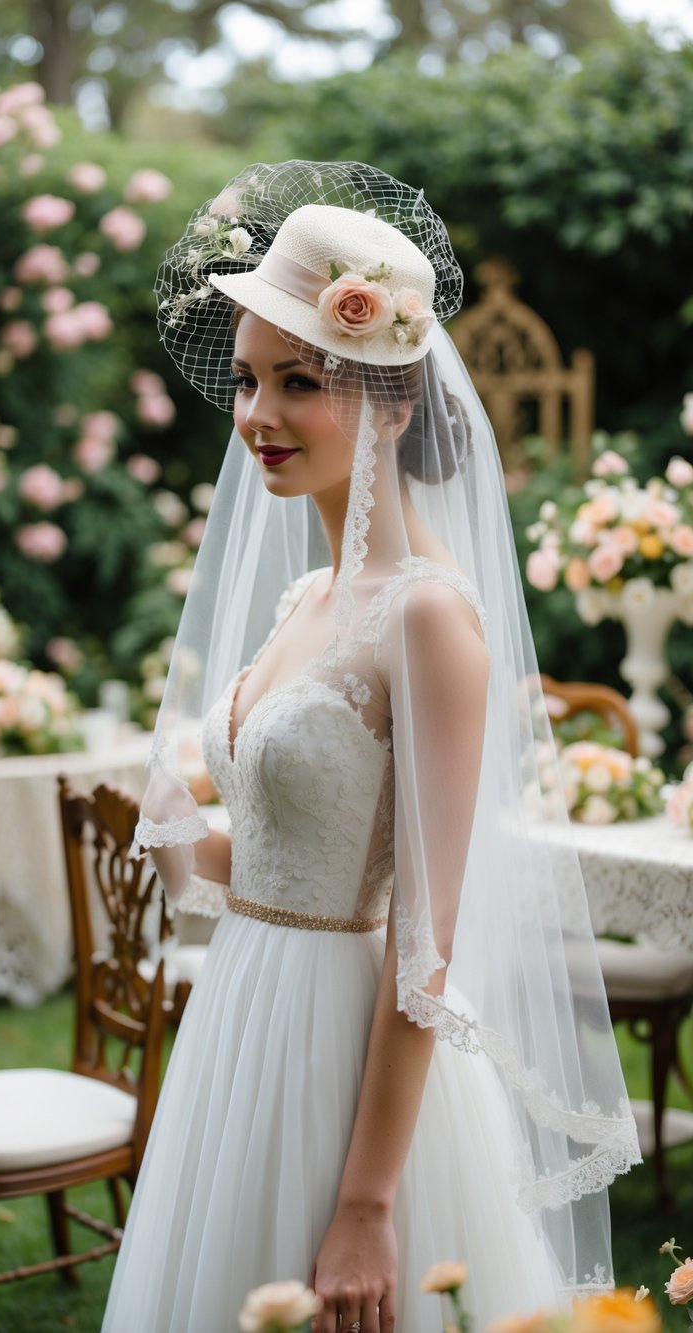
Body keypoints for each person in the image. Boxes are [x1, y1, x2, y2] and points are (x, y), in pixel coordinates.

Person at [102, 161, 639, 1333]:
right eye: (248, 382)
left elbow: (428, 939)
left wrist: (364, 1202)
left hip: (355, 1062)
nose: (257, 418)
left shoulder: (430, 618)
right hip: (243, 1024)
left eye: (299, 382)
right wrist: (188, 841)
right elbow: (305, 868)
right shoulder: (305, 599)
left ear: (393, 401)